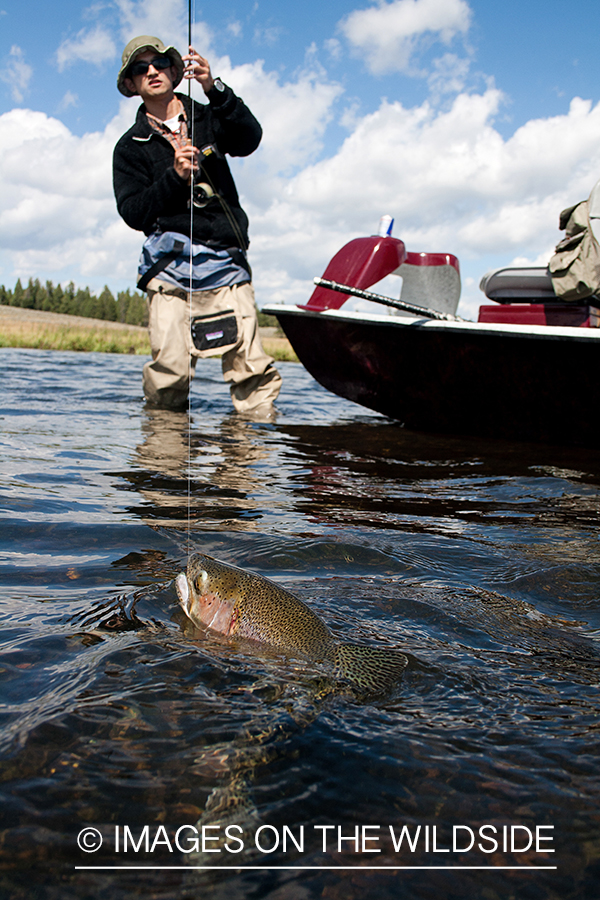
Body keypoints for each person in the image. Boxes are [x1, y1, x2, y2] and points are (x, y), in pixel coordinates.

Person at [113, 35, 281, 413]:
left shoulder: (210, 115)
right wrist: (174, 178)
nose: (152, 71)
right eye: (141, 68)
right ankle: (164, 465)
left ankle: (246, 466)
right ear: (130, 84)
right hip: (168, 273)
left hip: (226, 265)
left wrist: (214, 88)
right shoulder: (128, 147)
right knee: (169, 377)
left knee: (252, 375)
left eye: (159, 63)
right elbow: (133, 212)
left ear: (175, 70)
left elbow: (248, 139)